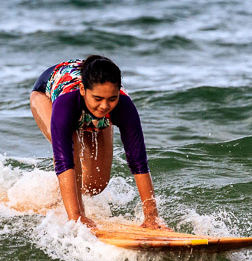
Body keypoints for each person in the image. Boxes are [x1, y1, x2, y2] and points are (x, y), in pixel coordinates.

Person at [30, 55, 166, 231]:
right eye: (98, 99)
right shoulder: (65, 104)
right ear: (82, 89)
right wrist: (77, 218)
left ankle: (54, 196)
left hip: (88, 108)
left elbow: (138, 163)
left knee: (95, 185)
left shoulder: (124, 107)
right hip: (45, 95)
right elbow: (65, 160)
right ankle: (70, 210)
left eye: (112, 98)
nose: (104, 106)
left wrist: (151, 217)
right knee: (72, 149)